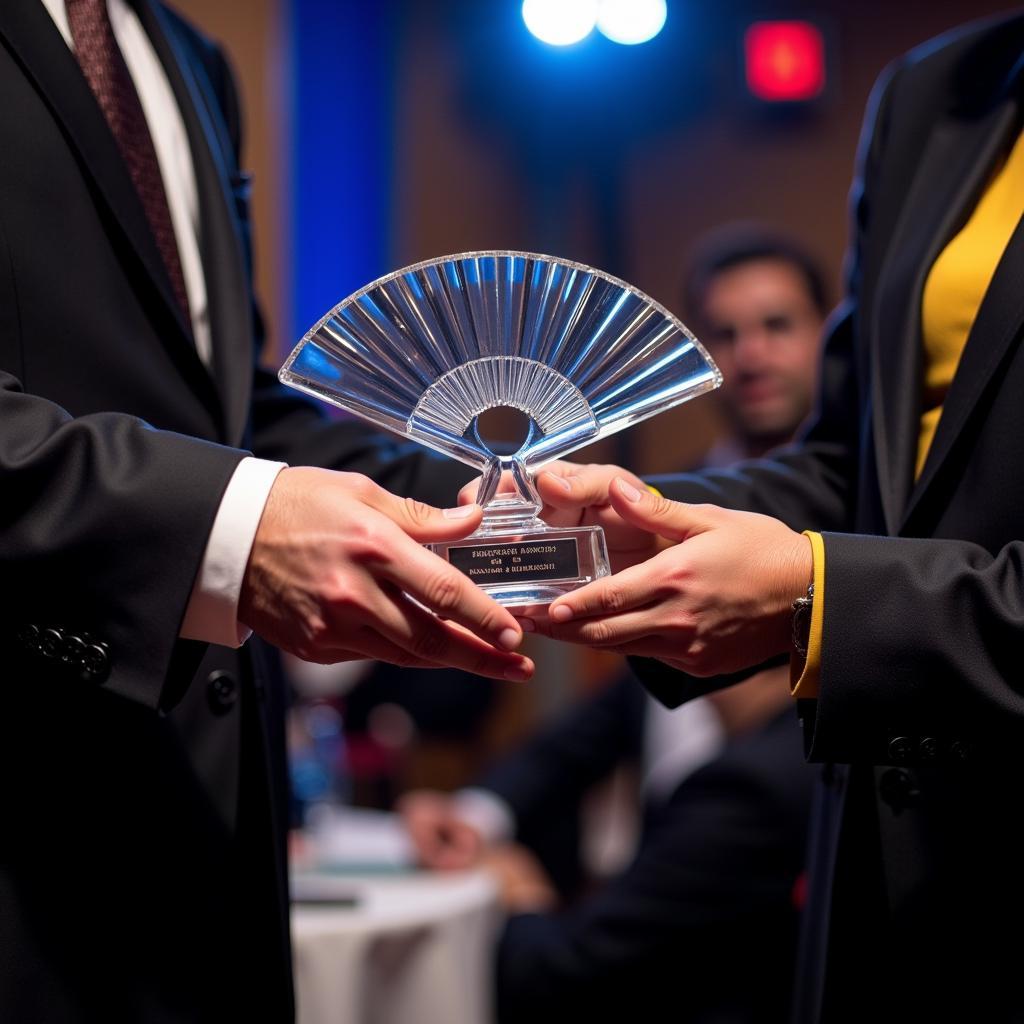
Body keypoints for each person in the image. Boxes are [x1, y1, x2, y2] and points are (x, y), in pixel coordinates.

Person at [0, 2, 531, 1021]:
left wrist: (457, 504)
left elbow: (226, 398)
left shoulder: (190, 59)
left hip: (211, 825)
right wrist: (233, 528)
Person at [525, 10, 1024, 1021]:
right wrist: (645, 517)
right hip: (884, 861)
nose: (750, 353)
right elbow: (858, 459)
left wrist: (817, 598)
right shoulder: (934, 93)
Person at [404, 228, 827, 1021]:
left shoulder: (864, 517)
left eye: (777, 326)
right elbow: (605, 719)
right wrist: (479, 811)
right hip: (650, 893)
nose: (752, 355)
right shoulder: (662, 497)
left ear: (826, 336)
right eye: (726, 334)